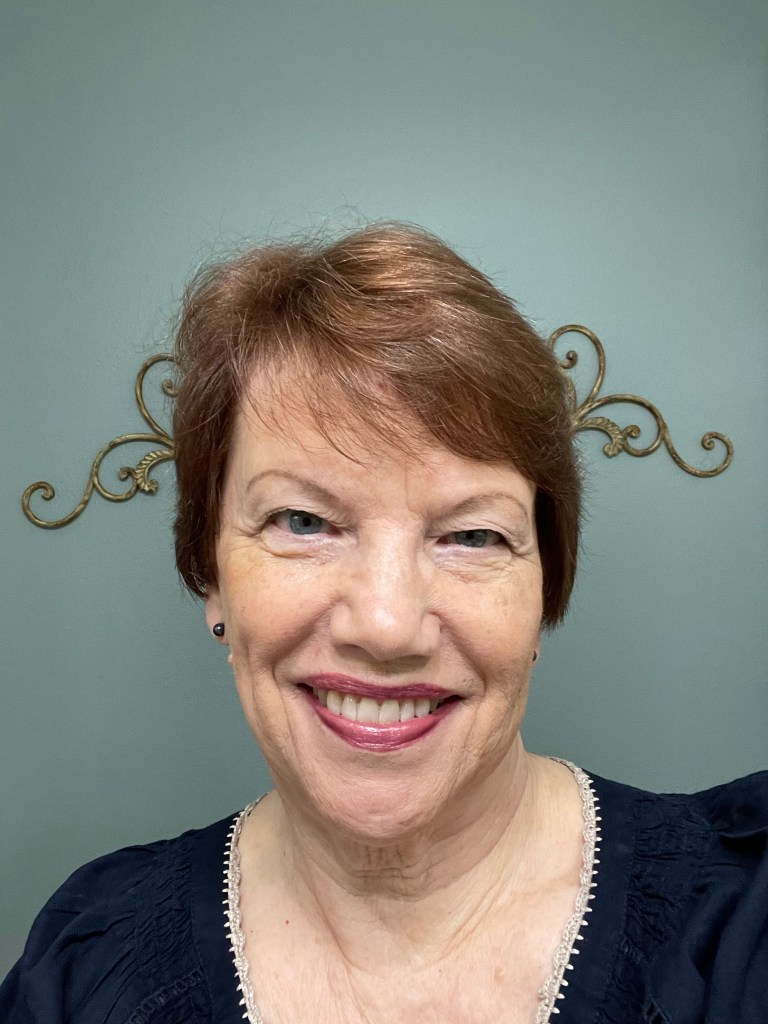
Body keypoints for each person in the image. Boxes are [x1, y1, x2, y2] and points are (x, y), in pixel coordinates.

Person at [1, 223, 766, 1024]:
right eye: (303, 521)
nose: (388, 625)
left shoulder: (742, 925)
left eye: (473, 535)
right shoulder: (84, 967)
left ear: (544, 590)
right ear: (212, 578)